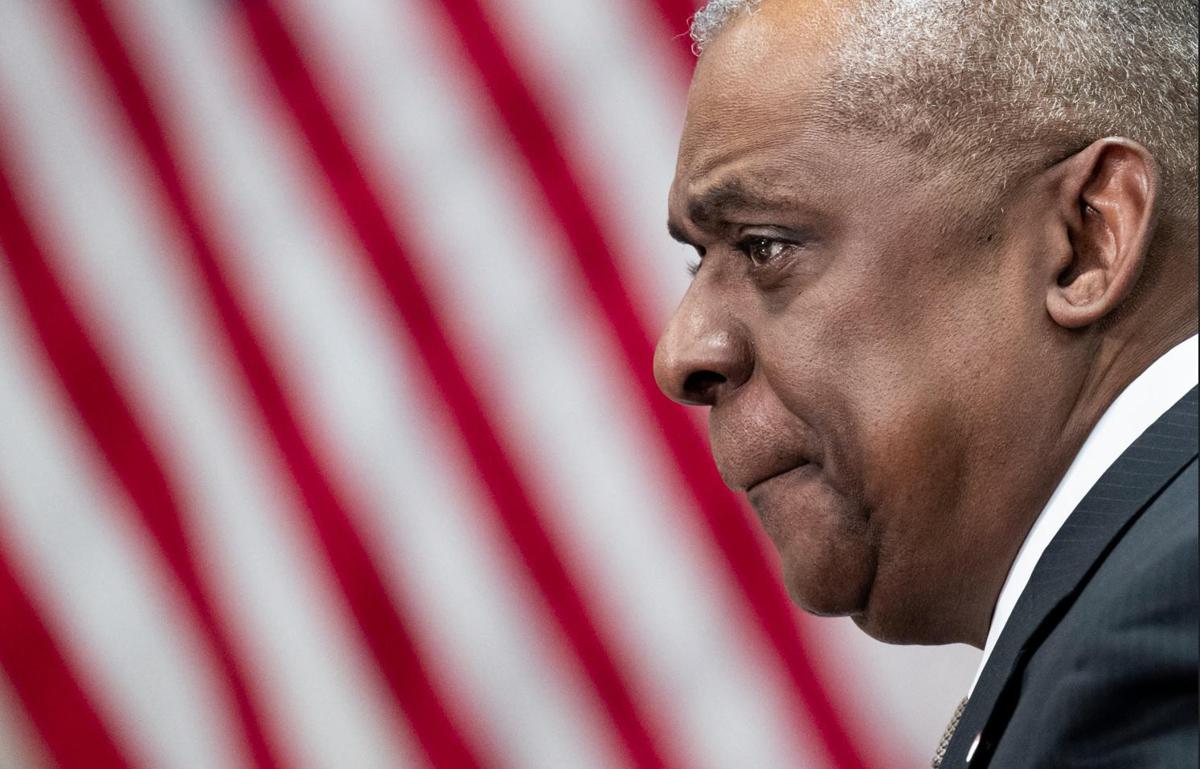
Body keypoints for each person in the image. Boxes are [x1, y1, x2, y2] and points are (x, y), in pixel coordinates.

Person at [652, 0, 1198, 766]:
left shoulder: (1154, 649)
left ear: (1084, 241)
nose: (679, 354)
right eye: (697, 261)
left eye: (764, 246)